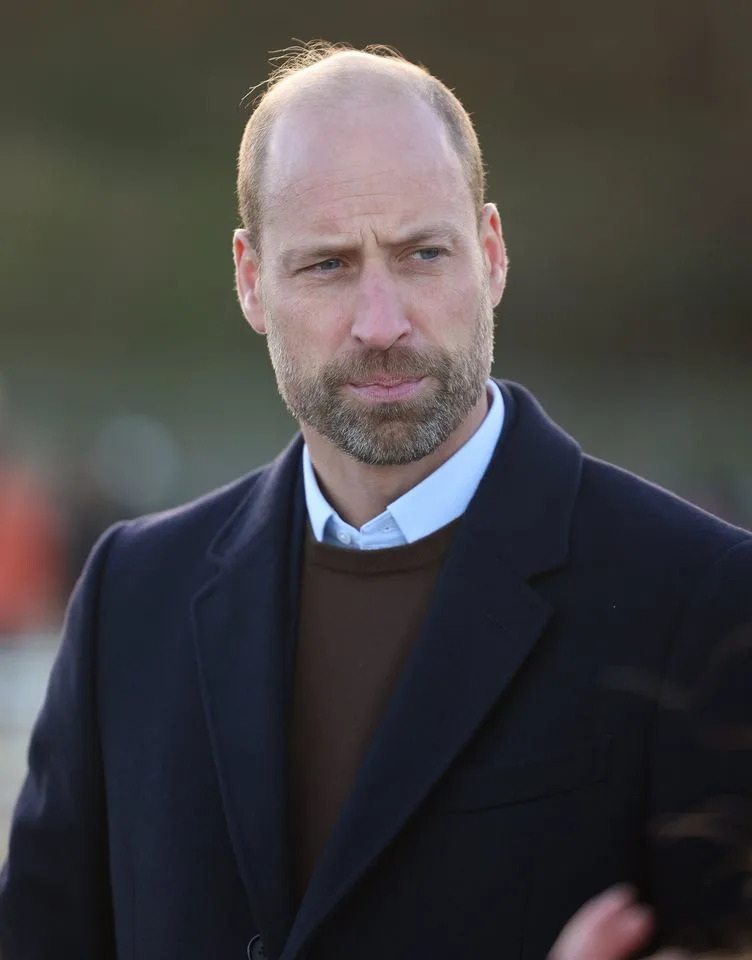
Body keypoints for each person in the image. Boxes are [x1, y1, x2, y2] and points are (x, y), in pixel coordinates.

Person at [1, 41, 751, 960]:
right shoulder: (131, 599)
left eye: (421, 254)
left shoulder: (702, 599)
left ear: (492, 254)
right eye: (326, 265)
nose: (382, 322)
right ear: (249, 280)